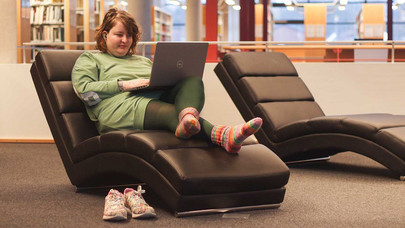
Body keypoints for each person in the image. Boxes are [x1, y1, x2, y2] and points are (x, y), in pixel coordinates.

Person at [71, 8, 263, 220]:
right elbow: (84, 90)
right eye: (119, 34)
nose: (125, 40)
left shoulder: (142, 61)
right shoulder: (91, 59)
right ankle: (220, 134)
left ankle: (188, 119)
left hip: (151, 99)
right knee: (169, 111)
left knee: (191, 80)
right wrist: (124, 84)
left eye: (129, 35)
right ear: (105, 35)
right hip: (117, 110)